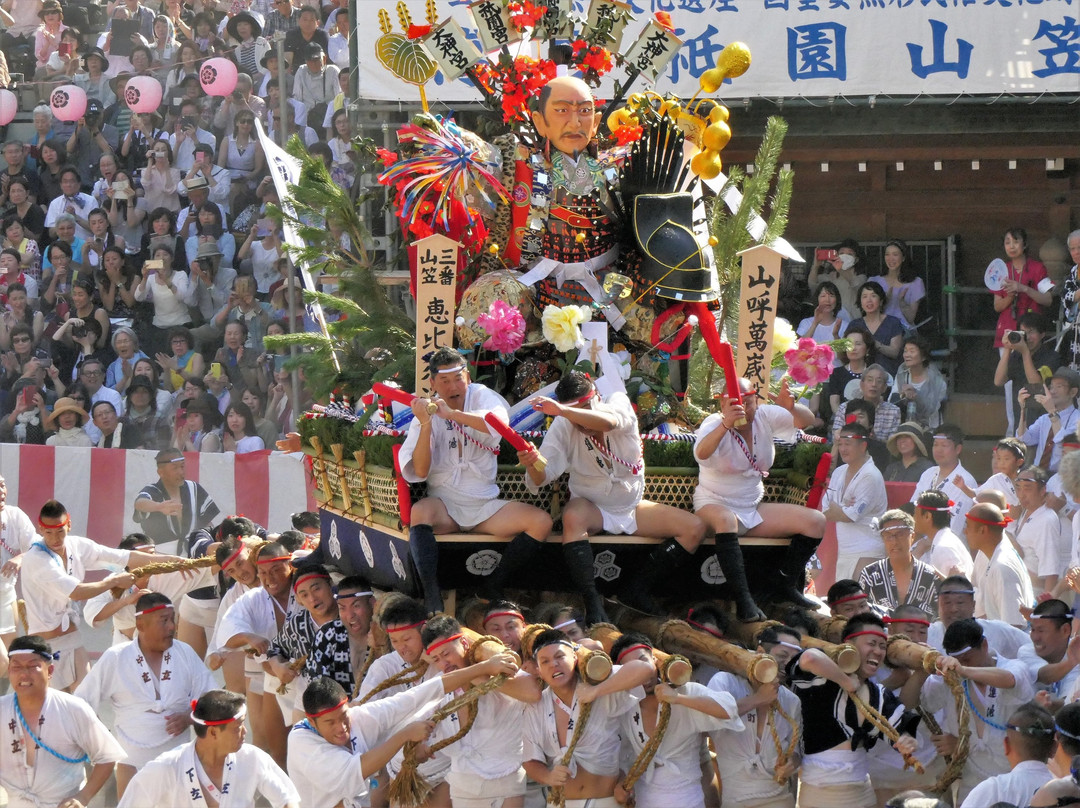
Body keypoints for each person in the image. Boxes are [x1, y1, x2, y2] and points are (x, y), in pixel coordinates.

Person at [522, 370, 705, 621]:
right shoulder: (564, 425)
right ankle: (592, 603)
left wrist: (565, 412)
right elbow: (543, 477)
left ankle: (637, 589)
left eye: (585, 407)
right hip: (592, 507)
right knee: (573, 516)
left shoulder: (616, 402)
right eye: (573, 412)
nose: (582, 423)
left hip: (631, 506)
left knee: (693, 528)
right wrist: (532, 463)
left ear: (596, 397)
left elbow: (609, 423)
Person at [400, 348, 552, 615]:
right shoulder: (426, 412)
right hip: (445, 506)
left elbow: (498, 425)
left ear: (467, 378)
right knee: (420, 511)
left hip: (484, 506)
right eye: (444, 381)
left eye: (458, 379)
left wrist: (453, 415)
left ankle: (493, 585)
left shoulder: (483, 396)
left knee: (541, 522)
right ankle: (432, 595)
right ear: (433, 384)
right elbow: (420, 470)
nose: (453, 387)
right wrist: (425, 424)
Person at [290, 644, 522, 808]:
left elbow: (419, 694)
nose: (341, 727)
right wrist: (403, 736)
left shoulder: (360, 716)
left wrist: (482, 668)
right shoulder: (302, 742)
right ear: (312, 721)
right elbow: (356, 769)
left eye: (343, 716)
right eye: (330, 723)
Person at [694, 376, 826, 609]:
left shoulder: (764, 416)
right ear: (722, 405)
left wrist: (791, 407)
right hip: (714, 504)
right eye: (734, 404)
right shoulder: (713, 423)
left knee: (815, 521)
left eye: (748, 403)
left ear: (756, 401)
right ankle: (744, 600)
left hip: (751, 505)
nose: (742, 409)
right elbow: (701, 453)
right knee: (726, 519)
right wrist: (725, 425)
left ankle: (785, 587)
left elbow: (808, 420)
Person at [19, 499, 174, 690]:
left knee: (86, 704)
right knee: (56, 711)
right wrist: (115, 582)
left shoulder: (77, 546)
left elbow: (123, 557)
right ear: (41, 530)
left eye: (60, 531)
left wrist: (174, 561)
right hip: (46, 644)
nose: (55, 539)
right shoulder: (38, 559)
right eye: (48, 532)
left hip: (72, 638)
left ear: (69, 524)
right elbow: (77, 592)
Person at [75, 592, 216, 797]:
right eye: (164, 621)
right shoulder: (117, 657)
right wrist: (101, 742)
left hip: (179, 762)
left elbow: (211, 699)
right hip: (131, 764)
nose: (172, 627)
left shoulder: (184, 652)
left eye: (172, 620)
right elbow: (81, 703)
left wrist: (189, 717)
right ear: (140, 624)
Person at [901, 617, 1038, 804]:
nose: (961, 664)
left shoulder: (1014, 667)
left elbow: (1009, 679)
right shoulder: (951, 676)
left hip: (1013, 778)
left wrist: (963, 670)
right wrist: (923, 669)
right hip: (973, 782)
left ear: (984, 645)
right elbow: (909, 703)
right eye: (956, 660)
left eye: (966, 658)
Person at [788, 611, 919, 807]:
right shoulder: (821, 677)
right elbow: (809, 658)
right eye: (871, 643)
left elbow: (898, 727)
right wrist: (845, 680)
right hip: (820, 792)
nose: (878, 651)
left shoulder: (878, 693)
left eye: (882, 646)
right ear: (849, 645)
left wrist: (906, 740)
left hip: (861, 790)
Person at [417, 615, 541, 808]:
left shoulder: (497, 668)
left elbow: (533, 692)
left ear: (464, 642)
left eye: (446, 653)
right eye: (436, 659)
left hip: (506, 780)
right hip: (462, 785)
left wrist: (477, 676)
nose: (444, 663)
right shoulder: (442, 685)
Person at [613, 633, 743, 808]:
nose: (641, 673)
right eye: (631, 668)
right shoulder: (624, 707)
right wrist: (621, 783)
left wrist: (678, 699)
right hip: (644, 799)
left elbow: (728, 709)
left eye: (643, 661)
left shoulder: (685, 691)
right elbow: (621, 757)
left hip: (687, 799)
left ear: (655, 660)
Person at [0, 635, 127, 808]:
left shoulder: (73, 708)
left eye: (32, 666)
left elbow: (107, 756)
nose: (24, 673)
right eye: (17, 667)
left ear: (50, 670)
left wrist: (83, 796)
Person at [119, 688, 300, 808]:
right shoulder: (167, 767)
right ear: (213, 732)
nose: (245, 732)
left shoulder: (251, 758)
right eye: (238, 727)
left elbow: (287, 799)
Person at [707, 624, 803, 808]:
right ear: (760, 652)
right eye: (783, 655)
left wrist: (792, 762)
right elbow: (709, 721)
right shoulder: (725, 682)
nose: (788, 663)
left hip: (779, 798)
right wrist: (757, 699)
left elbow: (795, 750)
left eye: (794, 659)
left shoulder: (791, 700)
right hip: (735, 800)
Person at [822, 421, 889, 581]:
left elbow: (851, 516)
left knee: (865, 601)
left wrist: (840, 509)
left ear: (863, 446)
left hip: (869, 549)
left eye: (848, 444)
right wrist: (842, 509)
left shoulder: (870, 475)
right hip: (844, 550)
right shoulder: (839, 472)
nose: (843, 449)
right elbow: (825, 509)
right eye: (840, 444)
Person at [132, 447, 220, 556]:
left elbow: (206, 521)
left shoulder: (194, 488)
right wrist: (159, 507)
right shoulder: (154, 491)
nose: (181, 472)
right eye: (175, 468)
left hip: (192, 555)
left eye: (182, 467)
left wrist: (209, 539)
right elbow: (140, 503)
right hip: (161, 557)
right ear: (161, 472)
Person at [964, 502, 1035, 628]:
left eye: (968, 527)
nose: (965, 532)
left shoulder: (1003, 567)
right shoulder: (989, 553)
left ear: (982, 530)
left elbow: (1014, 626)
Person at [858, 509, 941, 615]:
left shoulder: (930, 576)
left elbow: (939, 616)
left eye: (900, 535)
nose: (895, 542)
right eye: (888, 536)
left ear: (912, 536)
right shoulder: (870, 575)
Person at [994, 227, 1054, 350]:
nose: (1011, 246)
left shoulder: (1038, 268)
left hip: (1031, 328)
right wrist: (1010, 296)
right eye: (1007, 242)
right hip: (1008, 326)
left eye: (1016, 242)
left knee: (1030, 367)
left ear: (1025, 244)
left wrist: (1024, 288)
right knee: (1009, 367)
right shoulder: (1000, 270)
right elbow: (997, 306)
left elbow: (1048, 300)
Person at [910, 424, 977, 536]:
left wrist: (924, 544)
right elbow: (913, 508)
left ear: (958, 449)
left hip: (948, 544)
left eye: (944, 445)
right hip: (920, 539)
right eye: (935, 445)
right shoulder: (928, 473)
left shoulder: (966, 481)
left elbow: (955, 525)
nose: (938, 450)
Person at [1013, 465, 1069, 595]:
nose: (1021, 494)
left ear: (1043, 490)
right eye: (1018, 488)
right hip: (1019, 587)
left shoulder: (1047, 519)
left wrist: (1045, 607)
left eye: (1027, 488)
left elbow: (1051, 569)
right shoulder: (1024, 511)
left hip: (1034, 591)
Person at [1020, 367, 1080, 472]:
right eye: (1051, 386)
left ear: (1073, 392)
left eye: (1059, 386)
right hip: (1038, 474)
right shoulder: (1044, 419)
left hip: (1063, 477)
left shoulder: (1077, 418)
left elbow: (1064, 443)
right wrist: (1023, 409)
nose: (1052, 391)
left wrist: (1052, 412)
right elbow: (1024, 439)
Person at [0, 474, 35, 651]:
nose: (1, 492)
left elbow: (36, 547)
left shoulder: (15, 516)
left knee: (10, 654)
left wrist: (20, 558)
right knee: (2, 660)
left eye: (2, 485)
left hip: (6, 594)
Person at [910, 489, 974, 579]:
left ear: (927, 516)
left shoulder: (943, 548)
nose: (913, 518)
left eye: (915, 514)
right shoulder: (945, 540)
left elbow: (958, 588)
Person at [830, 363, 901, 443]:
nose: (874, 384)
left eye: (879, 381)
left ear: (884, 388)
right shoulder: (845, 407)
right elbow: (835, 438)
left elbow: (893, 445)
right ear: (861, 385)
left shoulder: (893, 411)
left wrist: (874, 440)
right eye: (870, 380)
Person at [849, 280, 905, 376]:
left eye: (873, 296)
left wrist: (874, 343)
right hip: (861, 378)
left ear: (881, 301)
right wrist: (836, 335)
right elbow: (847, 352)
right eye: (864, 296)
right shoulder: (855, 324)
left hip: (888, 375)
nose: (869, 300)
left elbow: (894, 352)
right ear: (860, 302)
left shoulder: (893, 322)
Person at [868, 238, 926, 331]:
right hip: (879, 331)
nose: (890, 258)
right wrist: (884, 302)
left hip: (904, 332)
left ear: (903, 258)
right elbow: (869, 313)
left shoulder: (915, 282)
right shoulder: (874, 281)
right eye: (887, 254)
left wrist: (902, 303)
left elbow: (910, 318)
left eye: (895, 254)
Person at [891, 336, 947, 429]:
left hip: (930, 428)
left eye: (912, 351)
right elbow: (892, 402)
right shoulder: (901, 375)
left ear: (923, 357)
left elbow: (930, 410)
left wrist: (916, 396)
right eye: (905, 351)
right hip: (906, 425)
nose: (907, 355)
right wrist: (903, 396)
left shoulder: (938, 382)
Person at [807, 239, 866, 320]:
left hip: (853, 321)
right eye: (841, 253)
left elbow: (856, 285)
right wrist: (815, 266)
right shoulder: (830, 277)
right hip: (831, 320)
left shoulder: (861, 277)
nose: (845, 256)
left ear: (856, 259)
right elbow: (813, 285)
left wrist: (841, 270)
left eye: (850, 254)